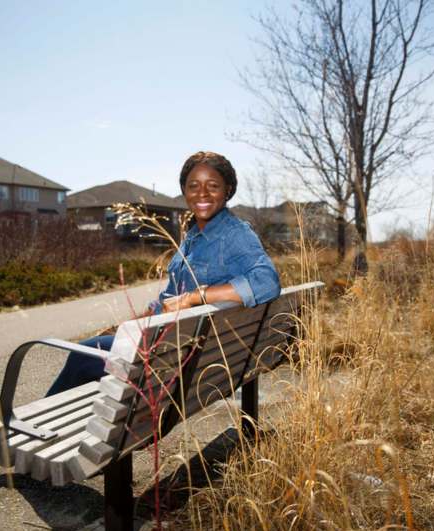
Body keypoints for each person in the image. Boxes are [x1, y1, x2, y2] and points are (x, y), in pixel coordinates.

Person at [45, 151, 281, 396]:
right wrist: (128, 325)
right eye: (193, 186)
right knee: (94, 351)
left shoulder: (234, 234)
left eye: (213, 186)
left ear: (228, 190)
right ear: (184, 190)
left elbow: (267, 281)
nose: (202, 193)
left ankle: (30, 426)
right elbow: (167, 301)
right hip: (179, 353)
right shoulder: (193, 237)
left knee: (83, 355)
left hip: (176, 362)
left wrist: (194, 296)